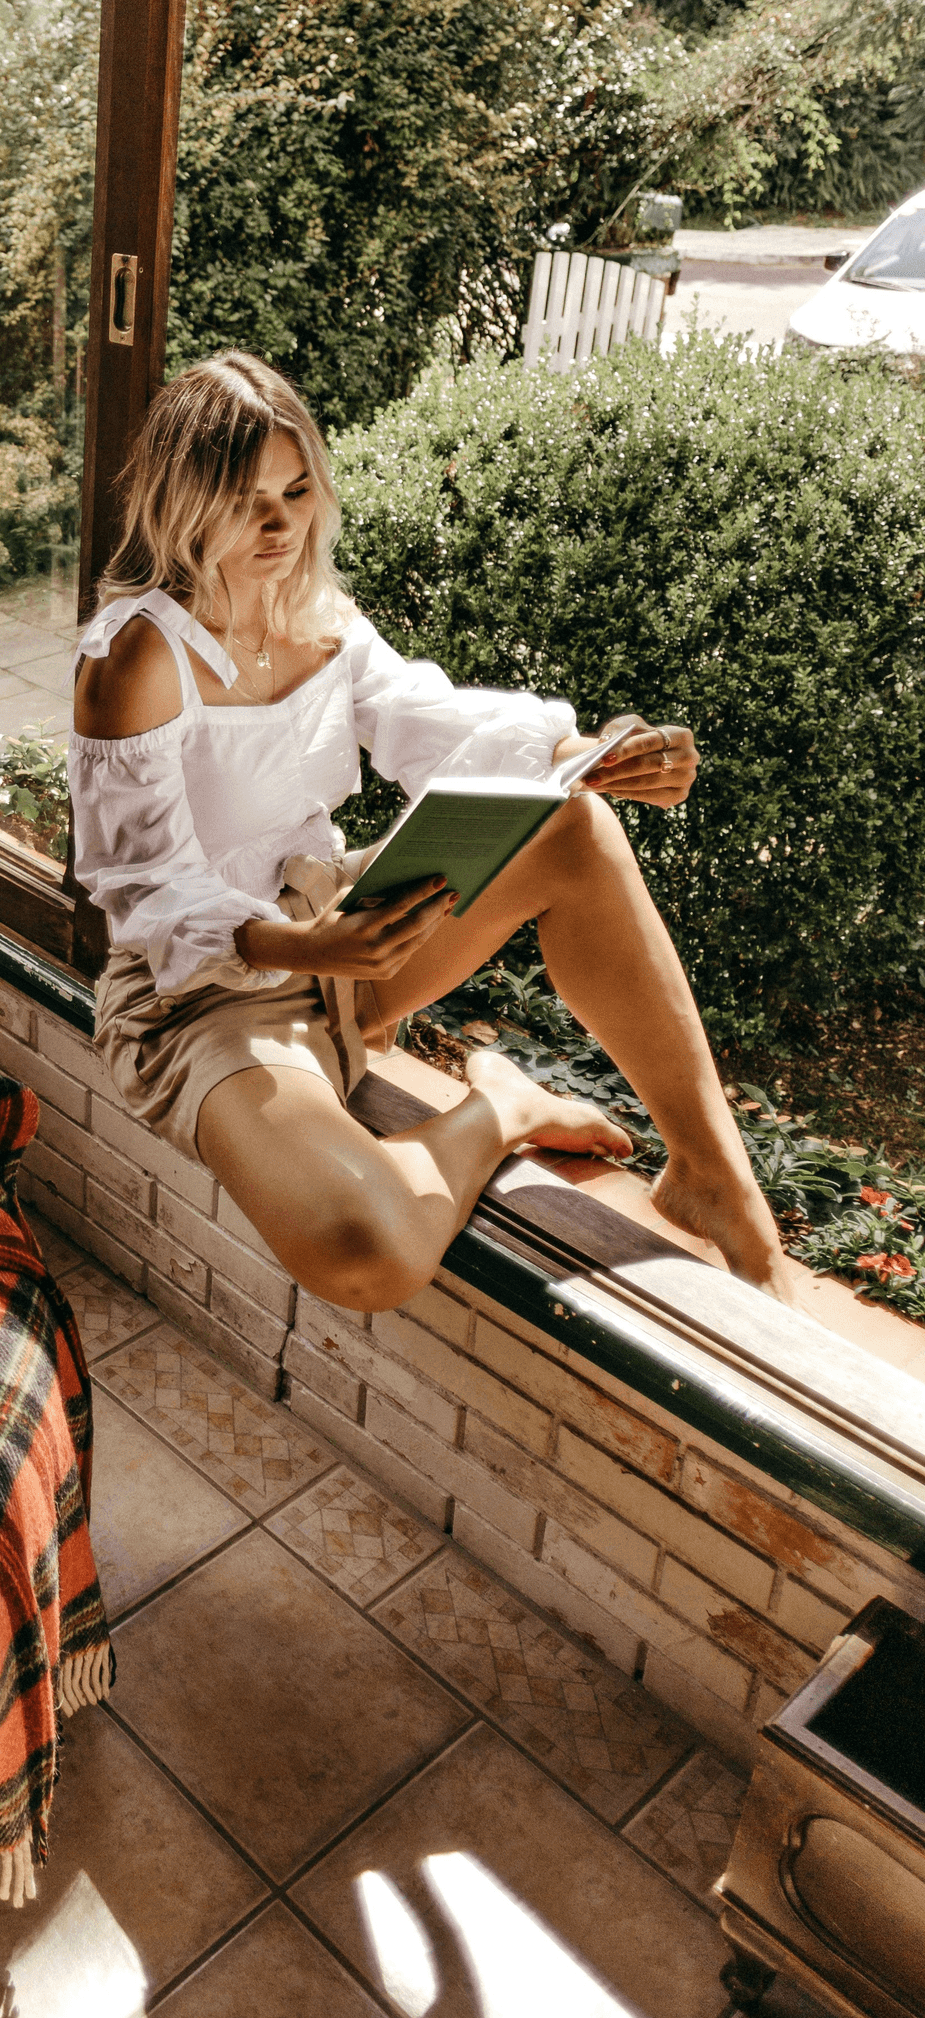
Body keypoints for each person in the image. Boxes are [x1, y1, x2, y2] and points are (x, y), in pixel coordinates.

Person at [70, 350, 794, 1314]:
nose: (282, 524)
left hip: (340, 945)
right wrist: (300, 943)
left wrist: (599, 747)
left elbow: (434, 724)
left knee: (574, 823)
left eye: (296, 489)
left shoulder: (316, 614)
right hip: (205, 997)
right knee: (366, 1254)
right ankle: (503, 1106)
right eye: (248, 500)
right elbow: (142, 891)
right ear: (181, 500)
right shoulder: (134, 659)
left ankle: (714, 1178)